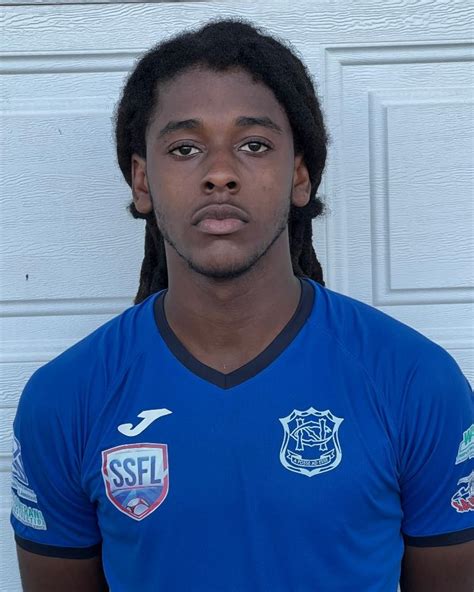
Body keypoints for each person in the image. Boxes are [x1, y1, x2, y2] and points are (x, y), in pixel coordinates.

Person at [10, 17, 474, 592]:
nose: (220, 174)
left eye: (254, 145)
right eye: (185, 148)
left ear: (299, 176)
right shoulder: (65, 399)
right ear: (142, 182)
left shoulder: (415, 381)